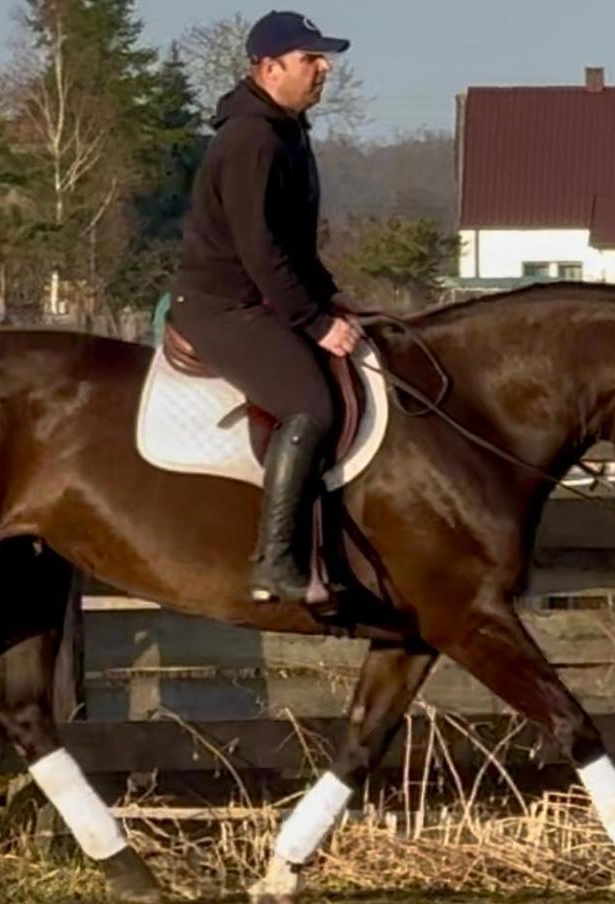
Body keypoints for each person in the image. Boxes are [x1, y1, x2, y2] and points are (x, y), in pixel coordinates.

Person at [169, 10, 368, 605]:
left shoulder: (285, 129)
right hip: (222, 306)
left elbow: (293, 245)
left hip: (258, 298)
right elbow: (259, 249)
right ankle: (274, 560)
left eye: (323, 58)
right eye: (312, 59)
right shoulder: (251, 138)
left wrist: (330, 296)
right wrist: (312, 322)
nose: (324, 68)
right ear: (269, 66)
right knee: (309, 406)